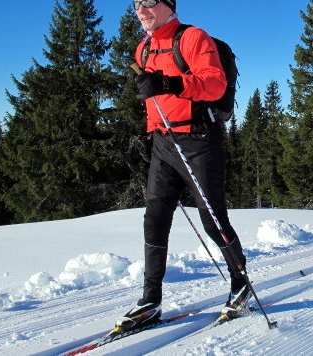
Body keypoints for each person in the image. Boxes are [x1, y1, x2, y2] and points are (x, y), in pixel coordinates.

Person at [116, 0, 251, 331]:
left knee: (212, 219)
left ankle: (240, 282)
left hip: (199, 141)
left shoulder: (192, 38)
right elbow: (153, 101)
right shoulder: (143, 50)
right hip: (163, 141)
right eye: (136, 4)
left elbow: (215, 83)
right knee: (155, 217)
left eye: (149, 2)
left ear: (168, 5)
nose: (141, 9)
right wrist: (150, 137)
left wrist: (169, 83)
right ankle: (150, 300)